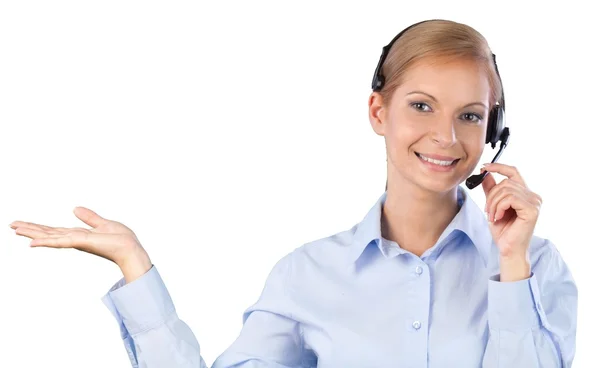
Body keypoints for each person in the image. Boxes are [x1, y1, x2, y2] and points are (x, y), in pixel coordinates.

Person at [10, 19, 577, 367]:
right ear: (378, 111)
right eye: (421, 106)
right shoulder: (306, 275)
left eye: (471, 116)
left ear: (493, 133)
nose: (446, 137)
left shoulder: (535, 270)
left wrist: (511, 267)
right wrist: (137, 268)